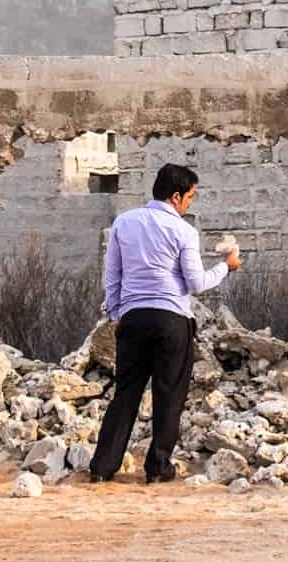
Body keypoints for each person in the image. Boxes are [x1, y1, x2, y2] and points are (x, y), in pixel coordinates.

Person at [88, 163, 242, 483]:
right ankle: (158, 468)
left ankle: (102, 468)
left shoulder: (124, 222)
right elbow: (196, 283)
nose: (190, 203)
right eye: (190, 197)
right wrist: (226, 267)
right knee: (168, 393)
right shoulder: (183, 231)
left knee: (126, 392)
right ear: (175, 196)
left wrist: (117, 315)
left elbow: (112, 276)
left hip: (132, 318)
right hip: (172, 319)